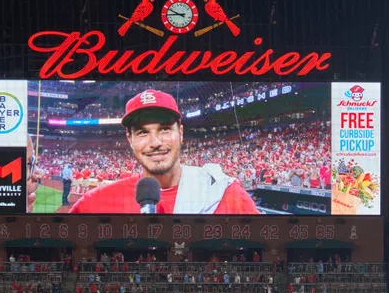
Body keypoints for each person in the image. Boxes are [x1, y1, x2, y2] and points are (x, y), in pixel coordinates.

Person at [67, 89, 260, 214]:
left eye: (165, 129)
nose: (155, 142)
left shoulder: (226, 193)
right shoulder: (97, 203)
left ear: (181, 133)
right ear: (130, 140)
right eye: (143, 132)